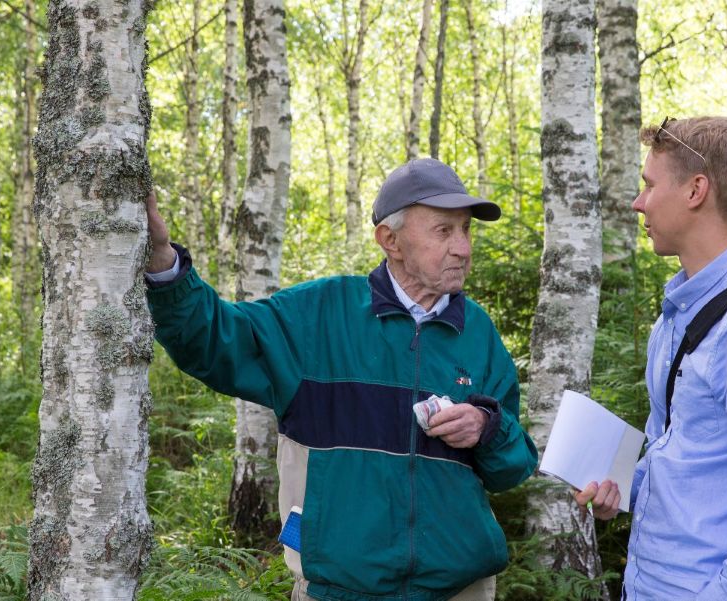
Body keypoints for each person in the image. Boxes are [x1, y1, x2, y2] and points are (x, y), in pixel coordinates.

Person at [145, 157, 538, 601]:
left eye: (465, 229)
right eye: (443, 231)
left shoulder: (479, 335)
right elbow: (214, 341)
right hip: (338, 590)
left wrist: (487, 429)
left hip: (460, 590)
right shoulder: (317, 316)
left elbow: (513, 467)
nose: (463, 247)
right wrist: (164, 266)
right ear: (390, 240)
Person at [576, 116, 727, 600]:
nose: (638, 202)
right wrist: (624, 489)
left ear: (695, 191)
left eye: (649, 185)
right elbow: (676, 451)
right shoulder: (675, 316)